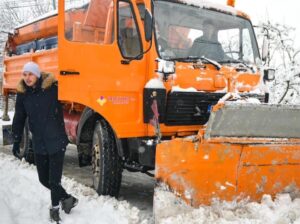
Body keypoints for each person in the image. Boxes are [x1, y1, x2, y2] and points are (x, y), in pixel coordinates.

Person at [12, 61, 78, 223]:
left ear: (38, 74)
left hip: (56, 141)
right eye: (25, 74)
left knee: (54, 180)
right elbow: (19, 118)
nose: (28, 78)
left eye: (31, 74)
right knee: (43, 179)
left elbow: (75, 89)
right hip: (40, 142)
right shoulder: (23, 95)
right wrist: (16, 139)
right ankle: (68, 198)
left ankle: (55, 209)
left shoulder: (52, 88)